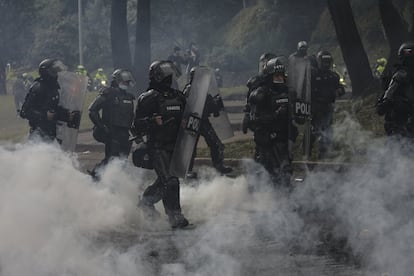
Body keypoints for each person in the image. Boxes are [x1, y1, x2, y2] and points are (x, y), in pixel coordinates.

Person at [133, 60, 190, 229]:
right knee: (170, 181)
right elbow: (136, 124)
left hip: (175, 144)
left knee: (165, 181)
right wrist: (151, 121)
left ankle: (145, 202)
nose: (169, 79)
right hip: (157, 146)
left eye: (171, 76)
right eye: (167, 76)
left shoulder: (178, 96)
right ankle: (175, 216)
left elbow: (188, 116)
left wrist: (186, 123)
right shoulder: (148, 98)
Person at [248, 57, 296, 187]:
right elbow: (254, 121)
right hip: (267, 140)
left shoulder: (288, 92)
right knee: (265, 173)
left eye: (281, 75)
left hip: (282, 139)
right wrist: (275, 115)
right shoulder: (261, 94)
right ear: (269, 76)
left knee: (285, 170)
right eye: (276, 76)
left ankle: (286, 198)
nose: (279, 79)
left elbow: (293, 117)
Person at [184, 67, 233, 178]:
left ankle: (219, 166)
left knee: (216, 144)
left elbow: (212, 109)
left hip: (204, 121)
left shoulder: (204, 90)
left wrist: (216, 105)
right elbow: (188, 107)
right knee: (190, 147)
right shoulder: (189, 89)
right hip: (193, 121)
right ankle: (187, 169)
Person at [88, 69, 136, 179]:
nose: (126, 84)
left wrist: (134, 131)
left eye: (128, 82)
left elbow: (130, 116)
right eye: (124, 82)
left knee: (122, 161)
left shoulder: (129, 97)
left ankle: (115, 182)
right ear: (117, 81)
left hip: (124, 133)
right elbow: (92, 110)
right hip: (111, 131)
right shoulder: (108, 93)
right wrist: (102, 126)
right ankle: (96, 177)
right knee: (112, 158)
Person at [20, 59, 79, 142]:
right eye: (53, 72)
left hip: (52, 132)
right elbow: (25, 111)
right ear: (45, 72)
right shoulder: (37, 88)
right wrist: (43, 115)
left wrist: (67, 115)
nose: (56, 75)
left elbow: (53, 109)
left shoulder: (53, 88)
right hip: (38, 134)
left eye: (56, 72)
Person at [310, 51, 344, 159]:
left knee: (327, 131)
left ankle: (324, 154)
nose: (325, 64)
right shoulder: (312, 74)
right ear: (319, 62)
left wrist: (339, 90)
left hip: (328, 106)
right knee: (314, 132)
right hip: (315, 107)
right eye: (323, 62)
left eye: (327, 62)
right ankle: (307, 152)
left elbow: (340, 88)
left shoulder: (333, 76)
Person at [377, 42, 414, 138]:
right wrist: (385, 102)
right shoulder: (401, 75)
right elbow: (390, 92)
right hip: (400, 116)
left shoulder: (402, 74)